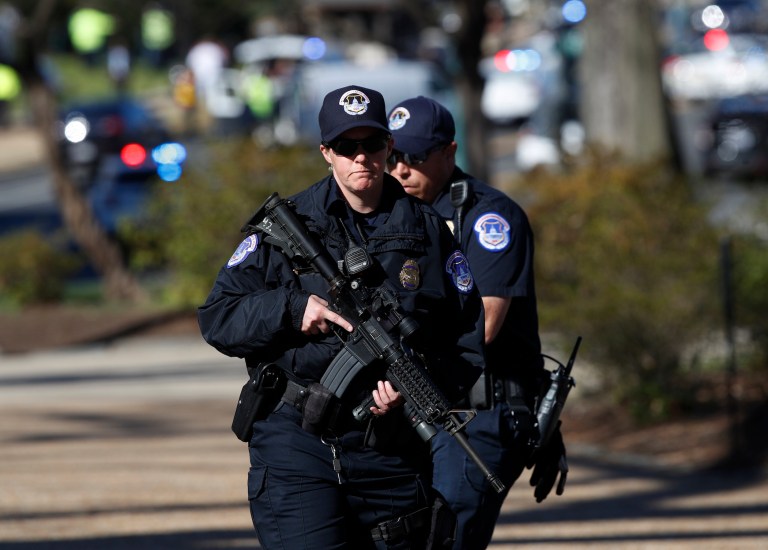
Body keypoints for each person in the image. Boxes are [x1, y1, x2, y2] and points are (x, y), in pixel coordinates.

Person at [198, 85, 486, 549]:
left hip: (390, 453)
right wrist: (292, 310)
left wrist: (416, 390)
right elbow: (219, 317)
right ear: (326, 152)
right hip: (297, 442)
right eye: (346, 147)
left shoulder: (428, 231)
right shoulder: (288, 228)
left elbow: (466, 338)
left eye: (371, 144)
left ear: (389, 147)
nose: (360, 158)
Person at [386, 96, 568, 550]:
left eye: (414, 157)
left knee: (445, 538)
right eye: (392, 157)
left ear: (449, 152)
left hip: (478, 414)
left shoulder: (488, 217)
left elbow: (482, 326)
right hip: (416, 408)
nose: (400, 170)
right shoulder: (393, 217)